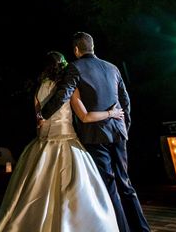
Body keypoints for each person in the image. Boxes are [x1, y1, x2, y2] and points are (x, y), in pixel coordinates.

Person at [0, 51, 122, 231]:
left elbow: (38, 124)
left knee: (35, 191)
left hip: (41, 145)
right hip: (67, 142)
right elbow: (84, 117)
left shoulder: (38, 90)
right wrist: (111, 113)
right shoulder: (69, 89)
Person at [40, 32, 150, 232]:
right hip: (118, 132)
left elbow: (64, 93)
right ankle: (142, 228)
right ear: (92, 47)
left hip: (95, 134)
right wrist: (125, 127)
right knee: (125, 183)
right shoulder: (112, 67)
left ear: (75, 50)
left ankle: (122, 229)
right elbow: (126, 101)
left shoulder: (75, 67)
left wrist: (44, 113)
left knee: (108, 184)